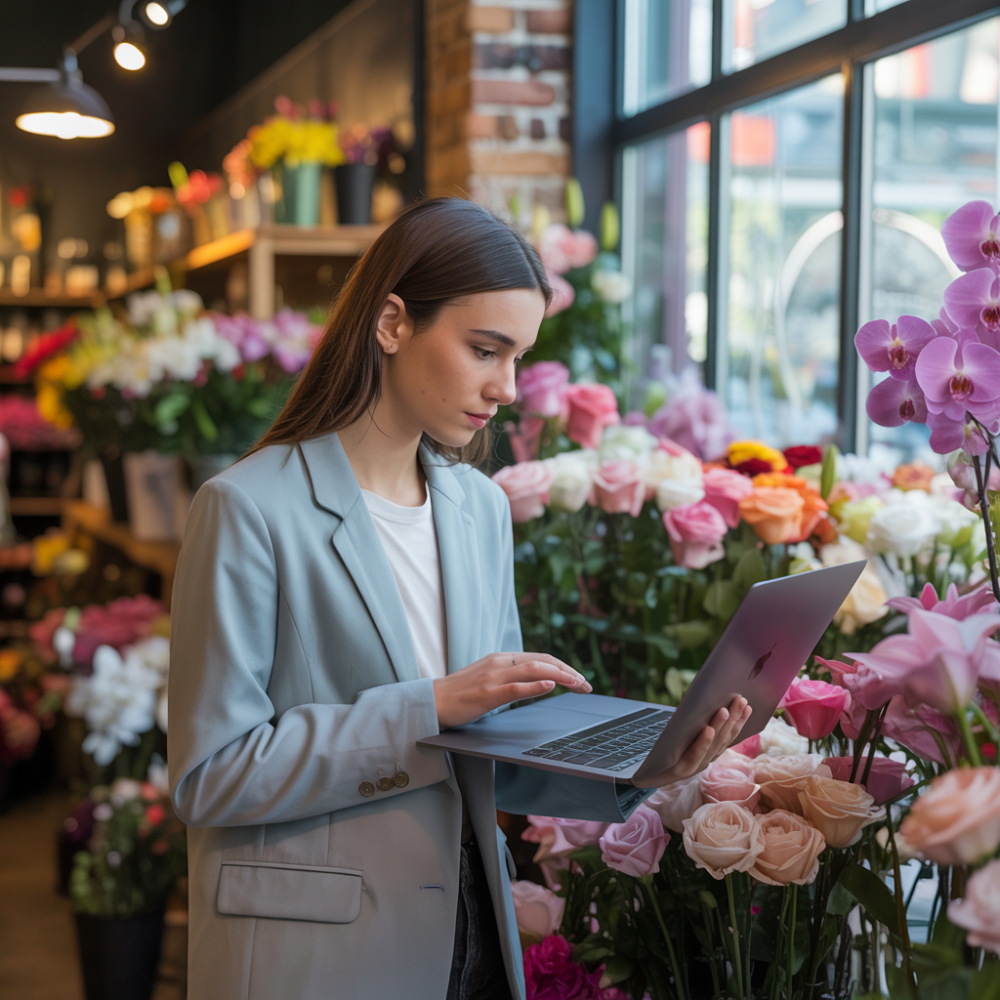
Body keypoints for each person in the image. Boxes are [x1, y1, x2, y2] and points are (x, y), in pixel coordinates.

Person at [167, 198, 751, 1000]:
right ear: (393, 323)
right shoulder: (246, 509)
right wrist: (429, 706)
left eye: (518, 358)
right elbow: (212, 775)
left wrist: (647, 770)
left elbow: (481, 754)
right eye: (485, 350)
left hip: (470, 939)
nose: (506, 388)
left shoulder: (476, 508)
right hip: (318, 958)